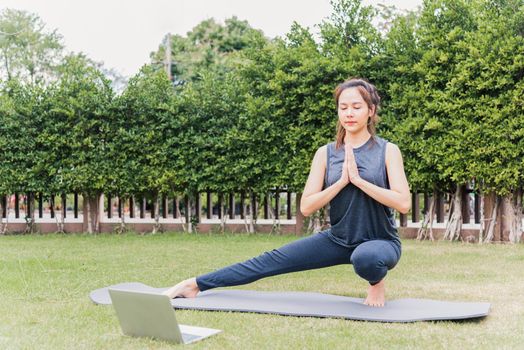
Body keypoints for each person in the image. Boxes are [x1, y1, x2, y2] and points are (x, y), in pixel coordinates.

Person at [164, 78, 411, 307]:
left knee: (365, 258)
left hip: (380, 241)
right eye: (343, 107)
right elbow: (306, 206)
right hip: (338, 239)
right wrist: (340, 183)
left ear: (371, 111)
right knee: (270, 260)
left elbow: (403, 203)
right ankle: (194, 285)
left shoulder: (388, 151)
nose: (349, 113)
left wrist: (358, 181)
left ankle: (376, 283)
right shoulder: (325, 153)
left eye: (356, 107)